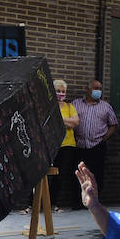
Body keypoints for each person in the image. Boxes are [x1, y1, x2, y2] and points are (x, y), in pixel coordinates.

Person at [70, 79, 116, 197]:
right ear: (88, 90)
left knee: (98, 174)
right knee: (77, 174)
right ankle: (78, 201)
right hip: (79, 145)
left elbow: (113, 125)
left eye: (100, 88)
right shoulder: (76, 104)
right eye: (96, 88)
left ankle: (96, 199)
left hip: (98, 145)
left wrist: (104, 139)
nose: (98, 91)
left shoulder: (106, 107)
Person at [47, 79, 81, 211]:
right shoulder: (48, 105)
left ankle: (54, 204)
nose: (61, 94)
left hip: (67, 145)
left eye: (63, 91)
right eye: (58, 91)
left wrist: (59, 119)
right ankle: (34, 204)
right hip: (51, 144)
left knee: (61, 176)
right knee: (42, 175)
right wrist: (67, 122)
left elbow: (76, 122)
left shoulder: (69, 107)